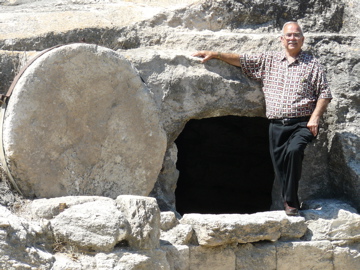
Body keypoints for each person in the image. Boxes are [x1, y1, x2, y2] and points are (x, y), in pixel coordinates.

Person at [192, 21, 332, 216]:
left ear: (303, 39)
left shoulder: (312, 64)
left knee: (294, 151)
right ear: (282, 39)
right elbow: (242, 60)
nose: (292, 38)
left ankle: (291, 203)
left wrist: (315, 118)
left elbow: (324, 93)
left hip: (302, 122)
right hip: (276, 125)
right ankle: (287, 200)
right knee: (279, 168)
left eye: (296, 35)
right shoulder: (269, 60)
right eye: (289, 35)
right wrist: (216, 55)